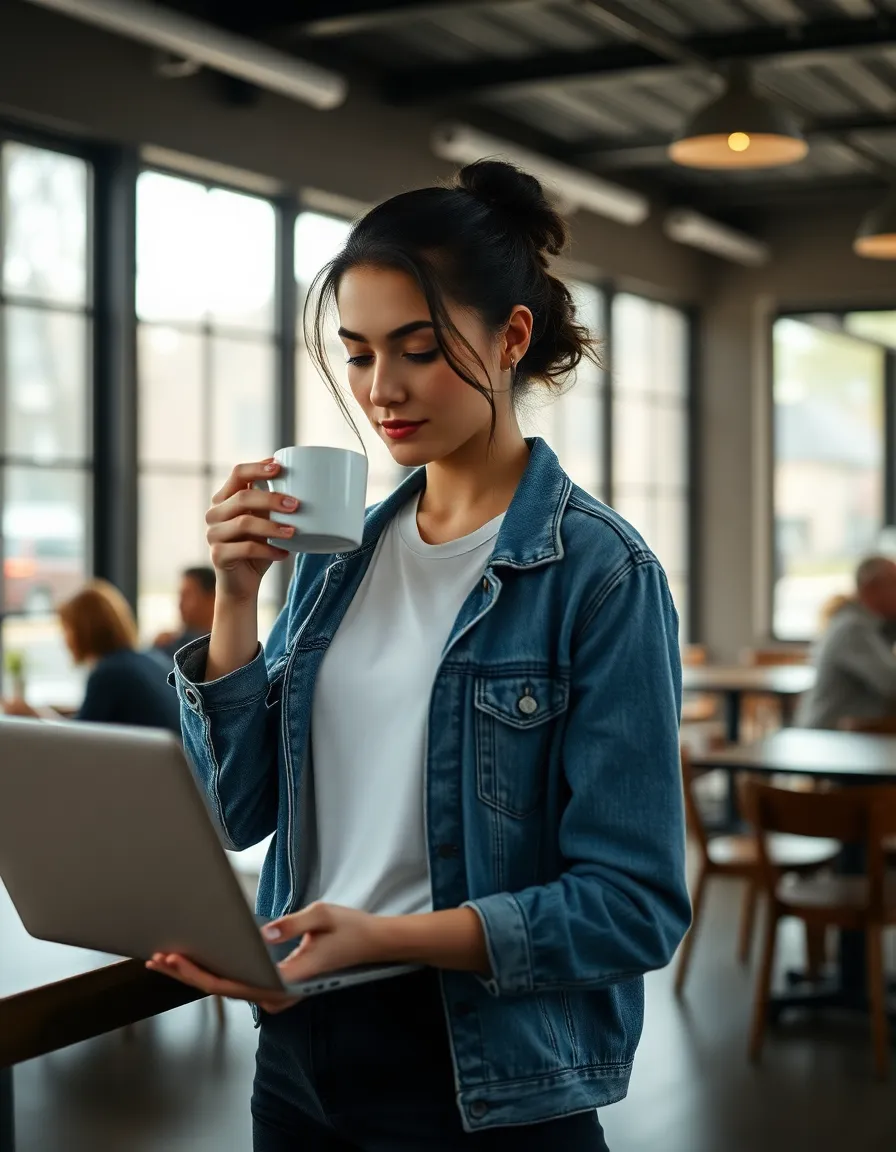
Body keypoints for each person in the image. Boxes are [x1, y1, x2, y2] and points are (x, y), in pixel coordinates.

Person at [149, 161, 689, 1151]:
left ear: (509, 337)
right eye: (355, 354)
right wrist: (236, 593)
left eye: (418, 349)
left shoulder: (600, 576)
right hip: (298, 1057)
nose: (380, 390)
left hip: (480, 1075)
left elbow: (632, 907)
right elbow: (236, 813)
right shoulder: (335, 558)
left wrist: (385, 938)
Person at [3, 579, 181, 736]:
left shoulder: (108, 673)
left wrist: (34, 716)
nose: (64, 639)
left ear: (83, 631)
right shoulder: (148, 660)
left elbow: (77, 741)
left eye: (67, 629)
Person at [797, 556, 896, 730]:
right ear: (871, 589)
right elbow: (892, 684)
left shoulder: (873, 625)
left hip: (854, 733)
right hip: (829, 737)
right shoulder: (853, 629)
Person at [152, 566, 217, 660]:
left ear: (212, 598)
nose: (180, 604)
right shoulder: (168, 644)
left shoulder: (226, 648)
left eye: (188, 595)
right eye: (180, 596)